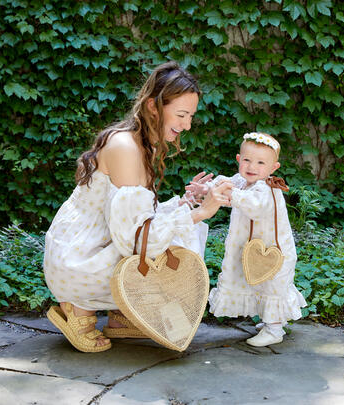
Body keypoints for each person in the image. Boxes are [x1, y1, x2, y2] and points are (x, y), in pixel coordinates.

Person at [43, 61, 232, 352]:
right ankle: (76, 308)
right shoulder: (126, 148)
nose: (187, 125)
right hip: (78, 259)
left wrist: (186, 203)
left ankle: (121, 315)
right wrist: (201, 212)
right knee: (169, 248)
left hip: (95, 243)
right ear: (153, 107)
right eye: (181, 114)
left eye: (191, 116)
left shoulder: (141, 141)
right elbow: (138, 241)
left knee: (174, 239)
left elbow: (137, 218)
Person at [205, 132, 307, 346]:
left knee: (272, 285)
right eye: (247, 160)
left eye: (261, 163)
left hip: (273, 252)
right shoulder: (243, 181)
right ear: (238, 160)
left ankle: (275, 329)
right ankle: (271, 321)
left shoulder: (267, 189)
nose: (252, 166)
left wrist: (228, 194)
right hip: (254, 249)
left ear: (273, 168)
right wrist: (207, 189)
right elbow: (225, 186)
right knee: (258, 284)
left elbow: (254, 206)